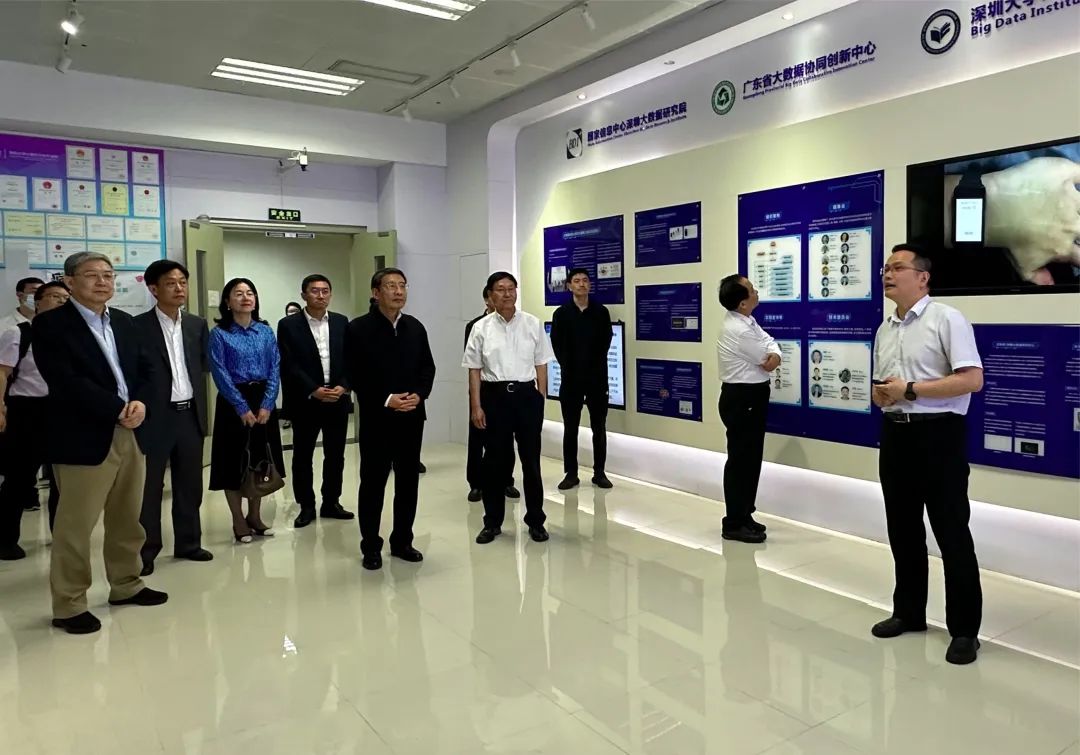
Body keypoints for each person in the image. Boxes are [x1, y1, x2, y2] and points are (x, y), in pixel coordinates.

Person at [33, 252, 167, 634]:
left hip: (131, 432)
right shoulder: (51, 325)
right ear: (69, 281)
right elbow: (65, 380)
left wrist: (140, 404)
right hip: (83, 435)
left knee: (127, 517)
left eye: (108, 275)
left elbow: (146, 370)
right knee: (75, 526)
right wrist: (116, 408)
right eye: (91, 275)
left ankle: (126, 584)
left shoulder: (124, 322)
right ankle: (69, 604)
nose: (102, 281)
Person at [871, 243, 985, 665]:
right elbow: (887, 383)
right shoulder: (886, 328)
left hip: (939, 436)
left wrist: (912, 391)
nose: (888, 273)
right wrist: (882, 395)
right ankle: (909, 612)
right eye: (886, 268)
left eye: (897, 267)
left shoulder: (946, 319)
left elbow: (971, 379)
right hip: (896, 435)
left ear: (922, 278)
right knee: (902, 529)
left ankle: (965, 631)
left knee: (951, 533)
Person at [346, 268, 435, 570]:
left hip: (411, 416)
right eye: (391, 286)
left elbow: (427, 368)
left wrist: (419, 395)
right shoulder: (358, 329)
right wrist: (386, 399)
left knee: (408, 482)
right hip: (377, 419)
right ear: (375, 292)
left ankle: (402, 541)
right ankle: (371, 546)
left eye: (402, 286)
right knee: (373, 483)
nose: (398, 291)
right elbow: (354, 373)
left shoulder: (415, 327)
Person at [463, 271, 554, 545]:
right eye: (500, 289)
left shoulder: (532, 323)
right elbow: (474, 370)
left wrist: (540, 398)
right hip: (494, 397)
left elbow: (541, 363)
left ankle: (536, 521)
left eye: (511, 288)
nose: (507, 294)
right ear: (490, 295)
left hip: (526, 396)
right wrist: (476, 406)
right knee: (494, 463)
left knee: (531, 462)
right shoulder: (481, 328)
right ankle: (492, 522)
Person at [133, 260, 212, 576]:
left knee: (190, 484)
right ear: (153, 289)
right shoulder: (137, 327)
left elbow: (204, 365)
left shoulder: (197, 324)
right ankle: (147, 551)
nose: (179, 288)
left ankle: (189, 543)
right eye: (170, 283)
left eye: (183, 282)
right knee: (149, 488)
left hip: (189, 413)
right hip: (155, 417)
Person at [208, 278, 285, 544]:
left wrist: (267, 403)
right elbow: (219, 372)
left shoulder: (265, 331)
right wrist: (241, 407)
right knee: (232, 462)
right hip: (233, 402)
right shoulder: (220, 334)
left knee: (260, 459)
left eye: (250, 293)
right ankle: (238, 519)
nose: (245, 297)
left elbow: (275, 368)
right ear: (227, 302)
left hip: (263, 399)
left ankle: (255, 515)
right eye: (238, 293)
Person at [278, 274, 354, 528]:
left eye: (325, 291)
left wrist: (344, 386)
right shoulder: (288, 325)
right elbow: (289, 363)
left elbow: (351, 358)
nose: (320, 295)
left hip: (337, 398)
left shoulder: (342, 322)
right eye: (314, 291)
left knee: (336, 455)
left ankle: (331, 502)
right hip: (307, 400)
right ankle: (306, 505)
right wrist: (313, 389)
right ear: (304, 295)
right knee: (302, 456)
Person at [0, 281, 68, 559]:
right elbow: (2, 373)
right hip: (27, 411)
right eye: (54, 296)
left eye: (65, 298)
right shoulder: (18, 333)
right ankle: (5, 539)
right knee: (19, 478)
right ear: (37, 302)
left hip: (62, 410)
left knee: (63, 480)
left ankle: (61, 535)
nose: (61, 301)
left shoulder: (71, 335)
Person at [715, 274, 780, 544]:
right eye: (752, 290)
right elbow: (767, 359)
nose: (756, 292)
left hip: (751, 398)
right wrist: (773, 355)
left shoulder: (746, 321)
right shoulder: (739, 330)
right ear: (742, 303)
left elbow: (770, 342)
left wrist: (774, 353)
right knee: (741, 461)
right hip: (743, 399)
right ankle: (733, 522)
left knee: (751, 460)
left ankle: (744, 514)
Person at [550, 267, 613, 490]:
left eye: (585, 280)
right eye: (576, 281)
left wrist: (592, 367)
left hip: (597, 379)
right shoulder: (561, 314)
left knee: (599, 428)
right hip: (571, 379)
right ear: (569, 286)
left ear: (590, 285)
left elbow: (605, 342)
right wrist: (570, 367)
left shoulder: (601, 312)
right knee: (570, 429)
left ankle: (599, 472)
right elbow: (557, 345)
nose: (581, 284)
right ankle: (571, 473)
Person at [464, 284, 518, 503]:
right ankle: (476, 483)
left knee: (506, 439)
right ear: (488, 299)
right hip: (484, 390)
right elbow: (472, 364)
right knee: (478, 438)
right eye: (498, 292)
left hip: (509, 393)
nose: (504, 296)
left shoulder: (516, 323)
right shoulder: (476, 326)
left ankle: (506, 480)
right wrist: (475, 398)